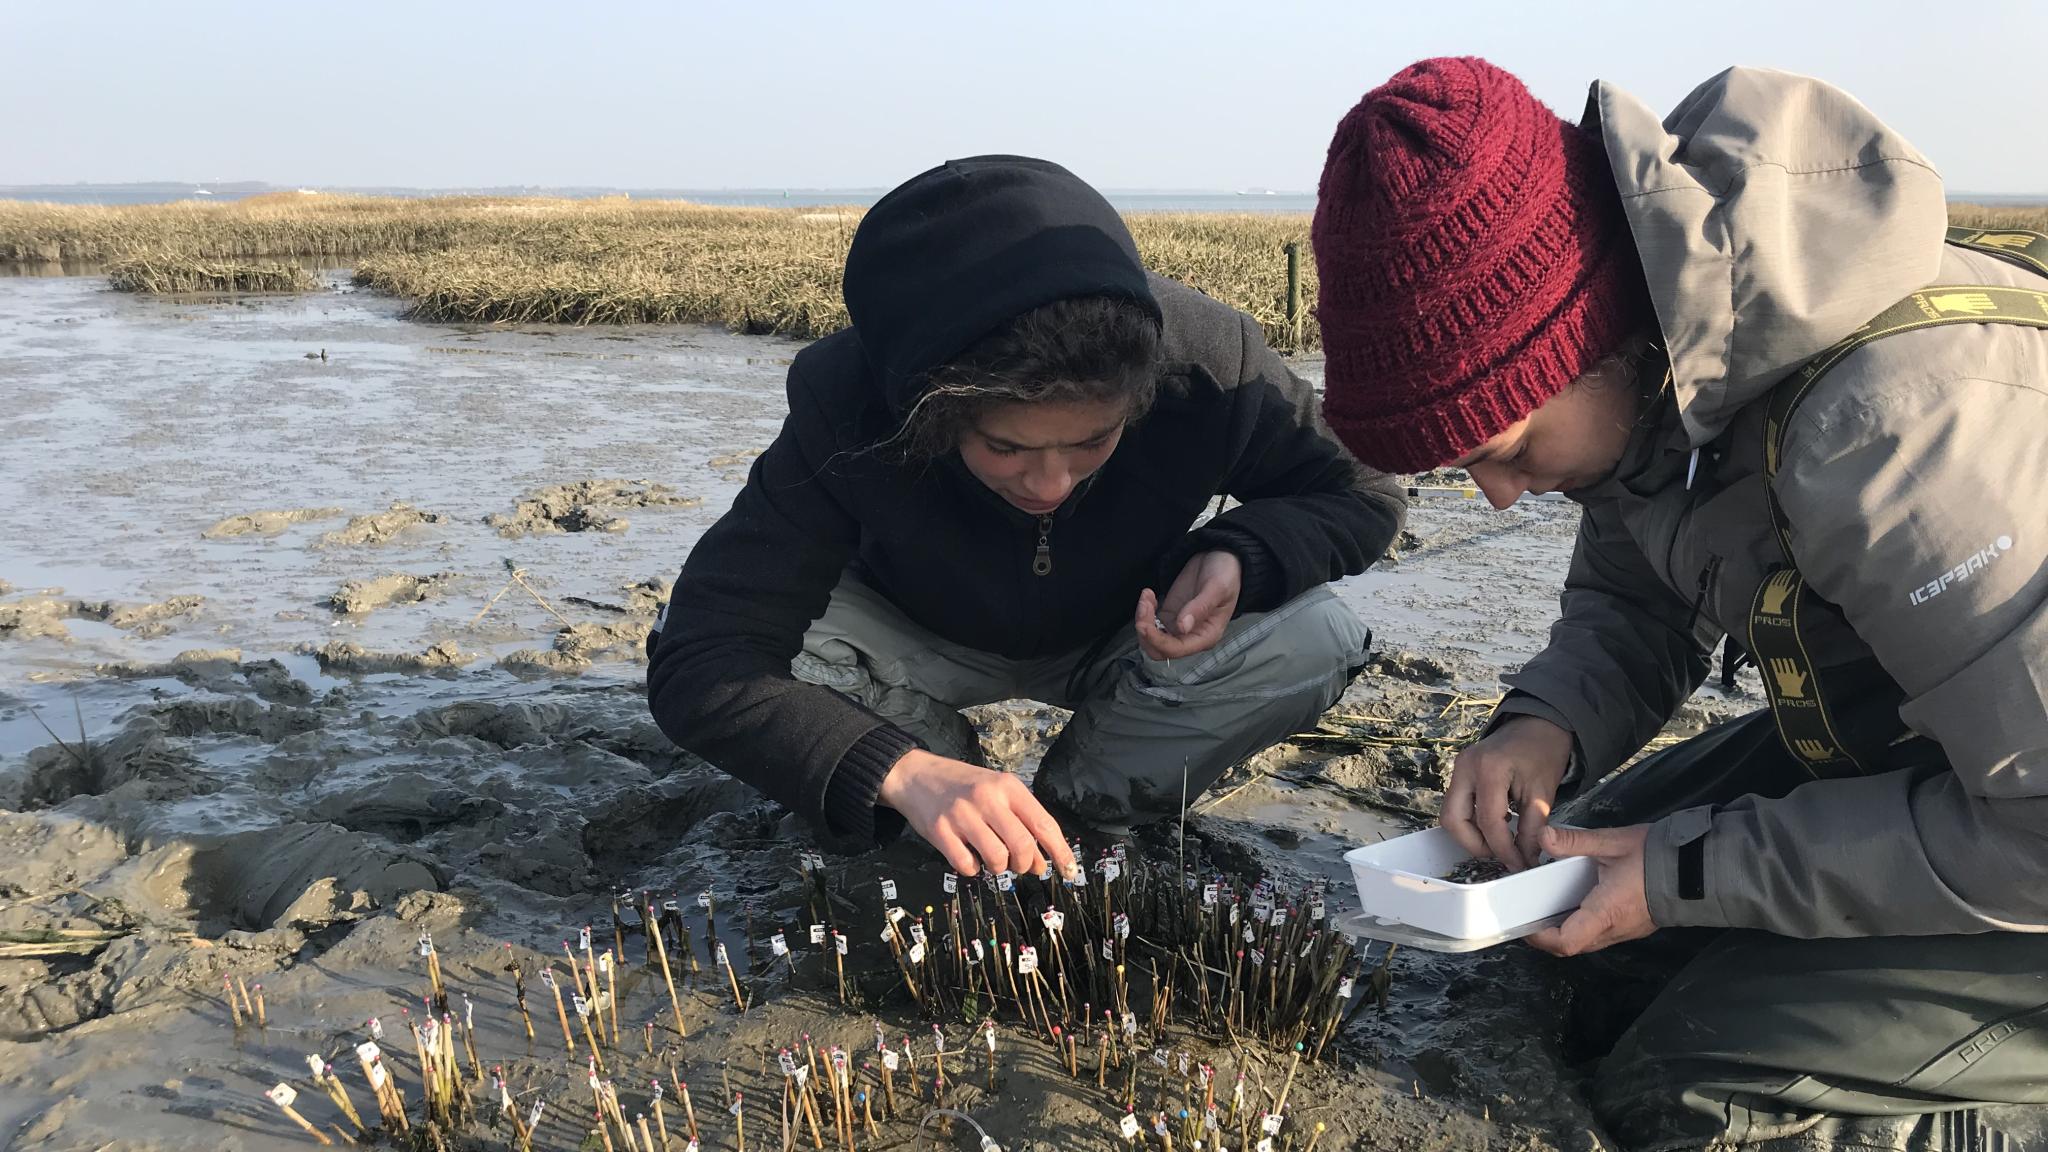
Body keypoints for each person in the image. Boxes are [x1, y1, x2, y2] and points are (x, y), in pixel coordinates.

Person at [1311, 58, 2047, 1151]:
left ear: (1585, 334)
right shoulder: (1666, 369)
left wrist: (1691, 869)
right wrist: (1541, 721)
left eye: (1503, 450)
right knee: (1566, 922)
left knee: (1689, 1096)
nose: (1498, 495)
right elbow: (1635, 587)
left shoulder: (1896, 442)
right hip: (1932, 757)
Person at [647, 155, 1403, 883]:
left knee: (1317, 636)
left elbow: (1363, 491)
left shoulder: (1210, 361)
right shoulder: (845, 400)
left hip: (1131, 631)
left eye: (1093, 442)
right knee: (783, 657)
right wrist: (896, 768)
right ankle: (945, 787)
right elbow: (702, 653)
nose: (1050, 483)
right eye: (1004, 447)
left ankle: (1079, 807)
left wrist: (1244, 552)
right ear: (929, 411)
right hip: (912, 632)